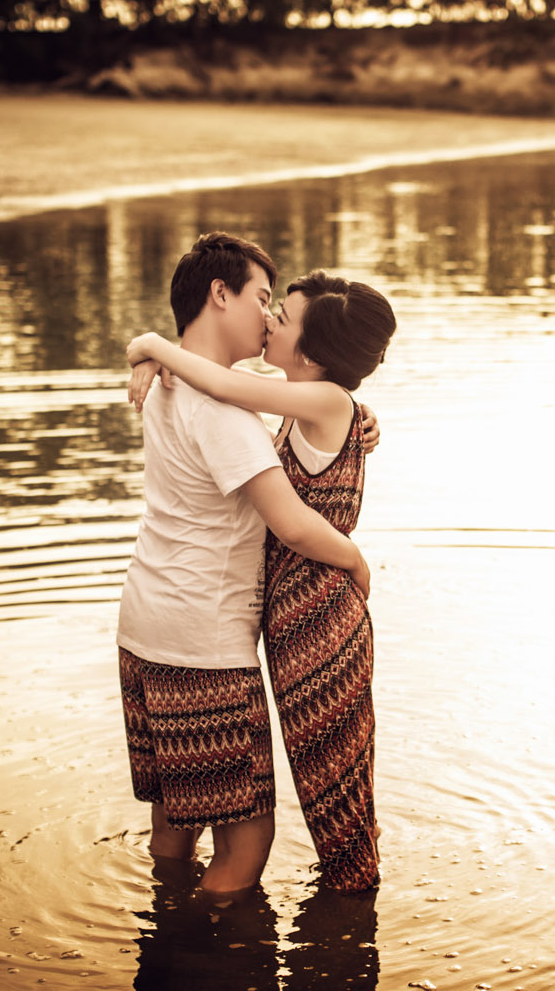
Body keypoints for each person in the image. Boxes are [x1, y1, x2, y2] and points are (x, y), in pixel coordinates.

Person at [117, 233, 374, 899]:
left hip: (143, 625)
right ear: (220, 293)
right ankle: (197, 957)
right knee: (248, 837)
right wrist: (354, 558)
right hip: (201, 643)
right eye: (265, 300)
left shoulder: (173, 385)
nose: (268, 318)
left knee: (176, 813)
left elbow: (301, 409)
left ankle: (163, 919)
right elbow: (290, 522)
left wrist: (150, 350)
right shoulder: (223, 412)